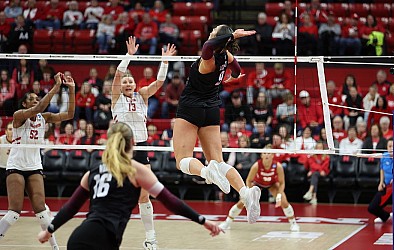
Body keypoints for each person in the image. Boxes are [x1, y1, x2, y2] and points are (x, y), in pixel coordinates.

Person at [37, 122, 223, 249]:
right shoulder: (136, 170)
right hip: (102, 239)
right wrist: (203, 221)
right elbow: (170, 201)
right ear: (133, 143)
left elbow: (70, 208)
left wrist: (49, 230)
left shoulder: (93, 171)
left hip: (80, 238)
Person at [173, 25, 262, 224]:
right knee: (219, 161)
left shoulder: (209, 57)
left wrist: (231, 35)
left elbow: (207, 45)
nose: (211, 30)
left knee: (182, 160)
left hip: (191, 108)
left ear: (217, 37)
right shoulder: (226, 56)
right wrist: (233, 76)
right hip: (212, 109)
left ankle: (206, 172)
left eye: (214, 30)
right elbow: (238, 71)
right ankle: (246, 193)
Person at [111, 36, 176, 249]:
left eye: (131, 81)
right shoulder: (116, 98)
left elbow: (158, 83)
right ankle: (108, 235)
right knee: (117, 196)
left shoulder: (142, 96)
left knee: (143, 196)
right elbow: (118, 75)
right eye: (125, 82)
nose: (128, 83)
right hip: (121, 151)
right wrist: (129, 56)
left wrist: (164, 62)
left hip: (140, 148)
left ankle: (150, 239)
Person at [0, 72, 75, 250]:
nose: (35, 100)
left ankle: (55, 248)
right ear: (24, 104)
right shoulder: (19, 116)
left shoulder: (45, 117)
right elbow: (37, 109)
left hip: (34, 166)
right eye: (31, 99)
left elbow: (70, 114)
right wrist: (56, 87)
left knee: (42, 212)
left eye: (37, 98)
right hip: (16, 166)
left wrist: (71, 90)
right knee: (14, 212)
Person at [218, 144, 299, 231]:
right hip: (258, 184)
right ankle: (227, 222)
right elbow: (249, 180)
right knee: (242, 202)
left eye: (269, 153)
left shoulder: (278, 166)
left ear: (273, 155)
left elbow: (282, 183)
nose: (267, 155)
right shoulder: (256, 165)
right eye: (265, 153)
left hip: (272, 184)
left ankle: (293, 223)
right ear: (261, 155)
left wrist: (279, 194)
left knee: (284, 201)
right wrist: (248, 193)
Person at [368, 138, 393, 223]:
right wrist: (381, 182)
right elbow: (382, 169)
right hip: (386, 187)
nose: (391, 148)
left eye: (393, 146)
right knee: (372, 208)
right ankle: (385, 216)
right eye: (389, 146)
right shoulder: (384, 156)